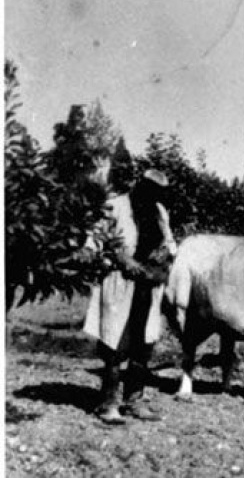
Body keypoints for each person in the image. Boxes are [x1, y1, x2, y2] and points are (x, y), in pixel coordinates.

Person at [83, 169, 177, 424]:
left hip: (147, 284)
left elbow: (169, 245)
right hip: (119, 282)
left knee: (143, 344)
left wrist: (164, 257)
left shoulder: (159, 212)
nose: (153, 196)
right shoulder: (115, 206)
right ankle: (109, 403)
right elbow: (93, 242)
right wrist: (120, 257)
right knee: (114, 342)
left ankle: (134, 400)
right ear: (140, 186)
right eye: (149, 190)